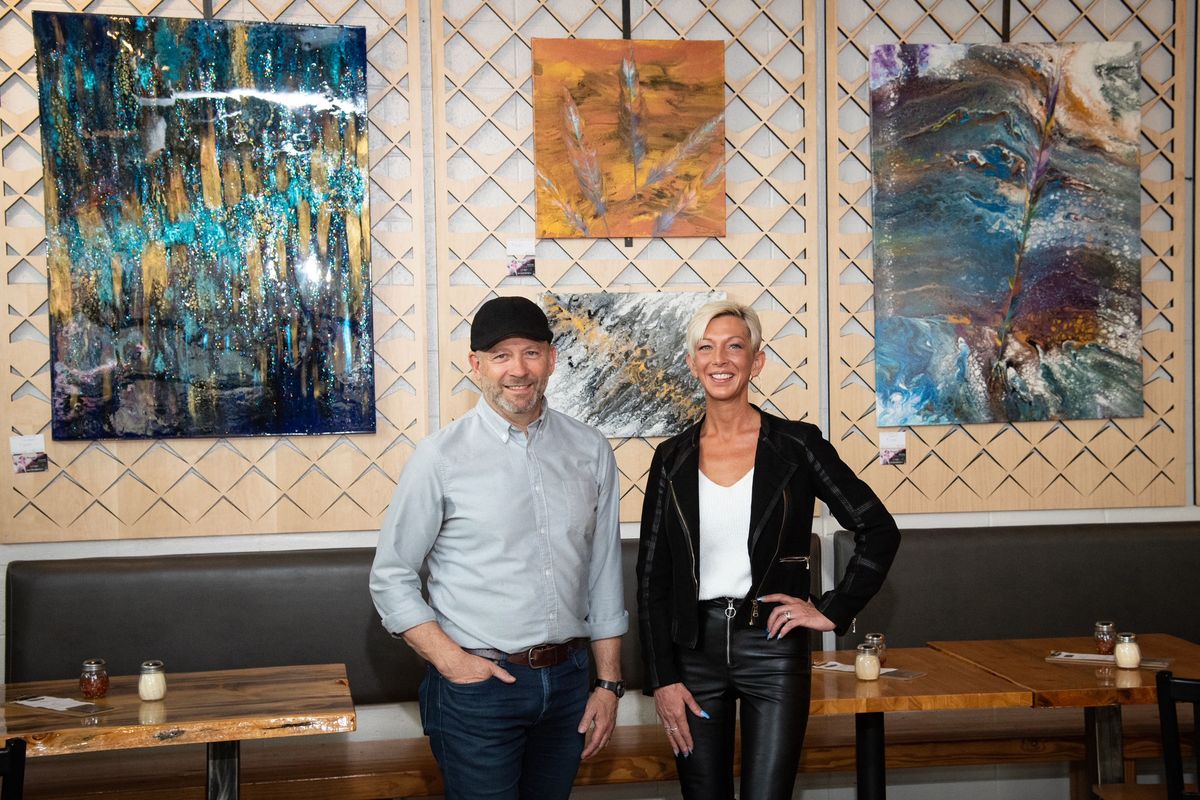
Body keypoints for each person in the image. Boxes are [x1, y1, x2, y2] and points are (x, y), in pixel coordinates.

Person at [637, 300, 900, 800]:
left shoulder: (797, 446)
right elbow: (653, 578)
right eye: (706, 348)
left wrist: (830, 611)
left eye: (735, 346)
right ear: (693, 363)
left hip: (773, 650)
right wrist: (662, 680)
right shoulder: (670, 458)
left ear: (755, 361)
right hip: (693, 653)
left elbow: (878, 529)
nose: (721, 359)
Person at [370, 295, 628, 800]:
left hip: (572, 685)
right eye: (501, 355)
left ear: (551, 359)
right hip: (479, 689)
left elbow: (603, 575)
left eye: (531, 352)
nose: (518, 370)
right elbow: (391, 577)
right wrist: (451, 662)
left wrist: (609, 683)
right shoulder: (439, 457)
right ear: (476, 367)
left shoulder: (591, 450)